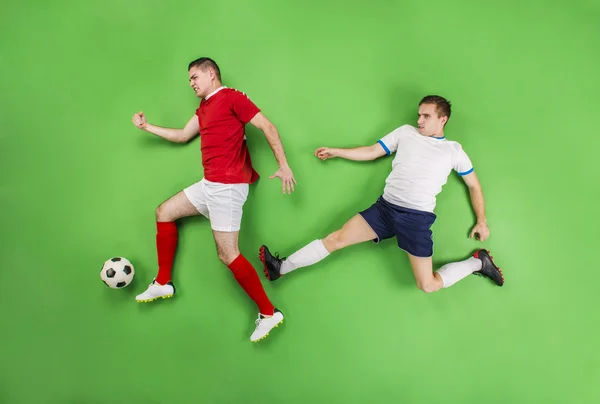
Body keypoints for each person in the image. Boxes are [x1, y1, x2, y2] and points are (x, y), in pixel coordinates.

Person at [259, 95, 504, 293]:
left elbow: (474, 185)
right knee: (336, 239)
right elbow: (373, 151)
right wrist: (337, 151)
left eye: (426, 116)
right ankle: (280, 267)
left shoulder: (454, 151)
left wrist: (481, 221)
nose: (419, 120)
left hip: (416, 218)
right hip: (385, 209)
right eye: (419, 114)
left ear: (443, 120)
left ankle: (478, 262)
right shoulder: (405, 132)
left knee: (427, 285)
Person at [132, 57, 296, 342]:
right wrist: (147, 127)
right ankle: (162, 283)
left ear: (211, 74)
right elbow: (183, 135)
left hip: (228, 187)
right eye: (190, 80)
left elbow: (268, 127)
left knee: (227, 254)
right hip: (209, 185)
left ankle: (269, 313)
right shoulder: (204, 107)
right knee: (164, 212)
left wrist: (283, 165)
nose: (191, 83)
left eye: (195, 77)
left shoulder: (231, 97)